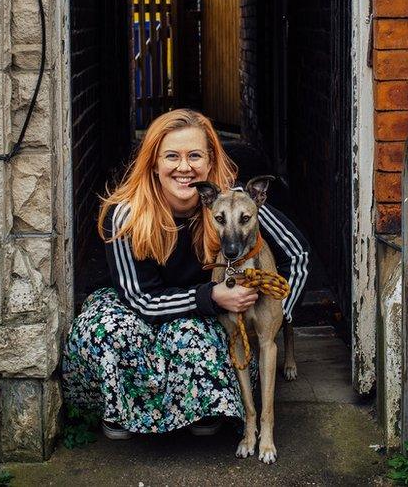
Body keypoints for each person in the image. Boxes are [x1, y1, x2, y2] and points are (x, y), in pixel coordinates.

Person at [61, 109, 310, 440]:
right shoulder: (127, 214)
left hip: (202, 314)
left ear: (209, 161)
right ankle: (120, 408)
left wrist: (278, 314)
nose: (184, 167)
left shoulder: (230, 202)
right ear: (154, 163)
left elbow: (298, 254)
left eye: (194, 155)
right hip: (138, 310)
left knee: (195, 336)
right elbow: (141, 300)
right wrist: (211, 295)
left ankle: (204, 407)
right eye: (171, 156)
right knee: (106, 331)